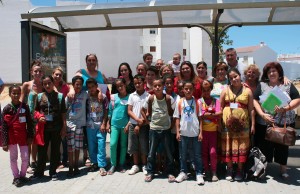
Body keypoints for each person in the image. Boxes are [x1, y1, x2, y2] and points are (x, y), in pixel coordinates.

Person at [253, 62, 300, 179]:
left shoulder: (287, 84)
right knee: (264, 146)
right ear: (266, 74)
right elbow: (254, 100)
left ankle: (283, 169)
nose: (272, 73)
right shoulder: (262, 85)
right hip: (265, 121)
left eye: (274, 71)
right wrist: (262, 114)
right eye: (269, 72)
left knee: (283, 146)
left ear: (279, 73)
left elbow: (297, 99)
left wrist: (286, 108)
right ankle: (263, 167)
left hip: (284, 121)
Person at [220, 68, 255, 182]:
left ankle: (240, 170)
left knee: (241, 147)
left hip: (243, 125)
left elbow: (251, 110)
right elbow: (220, 107)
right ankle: (229, 169)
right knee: (228, 146)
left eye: (235, 76)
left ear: (240, 76)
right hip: (227, 125)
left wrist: (253, 124)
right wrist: (219, 123)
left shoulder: (248, 91)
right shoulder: (225, 90)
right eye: (231, 78)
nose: (233, 79)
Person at [32, 76, 67, 181]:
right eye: (45, 83)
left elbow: (63, 114)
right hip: (43, 129)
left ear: (53, 83)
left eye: (49, 83)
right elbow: (35, 111)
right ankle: (39, 172)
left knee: (55, 151)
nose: (47, 85)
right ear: (43, 85)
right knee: (42, 151)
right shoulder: (39, 97)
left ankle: (53, 172)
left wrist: (64, 127)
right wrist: (39, 117)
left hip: (56, 128)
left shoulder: (60, 96)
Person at [142, 78, 176, 183]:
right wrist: (147, 122)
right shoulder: (150, 98)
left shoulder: (169, 99)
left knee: (169, 152)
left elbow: (175, 113)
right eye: (155, 86)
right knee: (152, 152)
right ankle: (150, 172)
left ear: (163, 87)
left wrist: (172, 125)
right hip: (154, 129)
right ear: (152, 87)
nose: (157, 87)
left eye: (159, 86)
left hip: (166, 129)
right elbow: (142, 110)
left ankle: (170, 172)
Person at [2, 85, 34, 187]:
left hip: (23, 137)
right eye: (14, 93)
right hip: (11, 138)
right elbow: (4, 127)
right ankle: (16, 177)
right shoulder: (7, 108)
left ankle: (22, 175)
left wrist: (30, 136)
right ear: (10, 94)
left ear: (20, 94)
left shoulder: (25, 107)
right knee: (13, 158)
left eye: (18, 93)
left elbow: (30, 122)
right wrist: (5, 142)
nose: (16, 95)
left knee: (25, 158)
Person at [173, 81, 204, 185]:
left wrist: (201, 132)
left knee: (197, 155)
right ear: (183, 90)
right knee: (182, 155)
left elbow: (200, 118)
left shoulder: (197, 102)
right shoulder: (180, 102)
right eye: (186, 88)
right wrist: (178, 132)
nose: (188, 90)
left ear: (193, 90)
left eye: (190, 88)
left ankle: (199, 173)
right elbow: (177, 118)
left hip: (195, 133)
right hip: (183, 133)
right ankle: (183, 172)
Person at [21, 60, 44, 174]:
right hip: (28, 117)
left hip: (39, 117)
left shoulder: (44, 85)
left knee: (36, 139)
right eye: (36, 71)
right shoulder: (27, 85)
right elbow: (21, 100)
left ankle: (34, 161)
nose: (38, 73)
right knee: (28, 140)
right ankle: (28, 163)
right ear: (31, 72)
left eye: (40, 71)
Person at [199, 80, 222, 182]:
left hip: (213, 132)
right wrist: (213, 115)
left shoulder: (216, 101)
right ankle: (207, 171)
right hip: (203, 131)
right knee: (204, 153)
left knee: (212, 152)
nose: (206, 92)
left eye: (208, 90)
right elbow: (201, 115)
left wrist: (208, 115)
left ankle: (214, 172)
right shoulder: (199, 101)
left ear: (211, 90)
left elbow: (219, 113)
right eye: (204, 90)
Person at [65, 76, 88, 177]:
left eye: (80, 84)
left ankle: (76, 166)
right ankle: (70, 166)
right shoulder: (68, 96)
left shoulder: (85, 94)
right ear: (73, 85)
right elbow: (65, 110)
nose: (78, 86)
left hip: (80, 125)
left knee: (78, 146)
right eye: (76, 84)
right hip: (70, 124)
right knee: (71, 147)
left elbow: (96, 90)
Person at [86, 78, 109, 176]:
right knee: (91, 146)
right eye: (89, 87)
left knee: (101, 146)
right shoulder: (86, 96)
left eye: (93, 87)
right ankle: (94, 163)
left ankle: (102, 165)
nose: (91, 89)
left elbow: (106, 110)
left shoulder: (103, 97)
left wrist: (104, 123)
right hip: (90, 126)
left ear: (96, 86)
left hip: (100, 126)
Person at [127, 75, 150, 175]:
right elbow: (129, 110)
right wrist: (136, 120)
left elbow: (148, 112)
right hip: (133, 124)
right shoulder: (132, 95)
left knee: (144, 145)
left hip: (144, 125)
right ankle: (135, 165)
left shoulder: (148, 96)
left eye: (139, 82)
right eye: (135, 83)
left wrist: (140, 123)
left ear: (144, 83)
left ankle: (144, 164)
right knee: (133, 145)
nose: (137, 85)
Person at [106, 78, 129, 174]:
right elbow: (110, 112)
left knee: (123, 145)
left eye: (121, 85)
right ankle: (113, 164)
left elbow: (131, 112)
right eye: (118, 86)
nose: (120, 88)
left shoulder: (130, 97)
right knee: (113, 144)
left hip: (125, 125)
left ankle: (121, 164)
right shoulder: (113, 97)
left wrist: (128, 124)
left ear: (125, 85)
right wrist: (108, 123)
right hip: (114, 125)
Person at [52, 67, 70, 169]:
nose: (58, 76)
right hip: (52, 117)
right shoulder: (49, 84)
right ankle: (56, 161)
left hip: (63, 115)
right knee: (55, 141)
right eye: (56, 74)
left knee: (64, 140)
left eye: (60, 75)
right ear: (53, 74)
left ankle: (65, 160)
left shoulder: (65, 87)